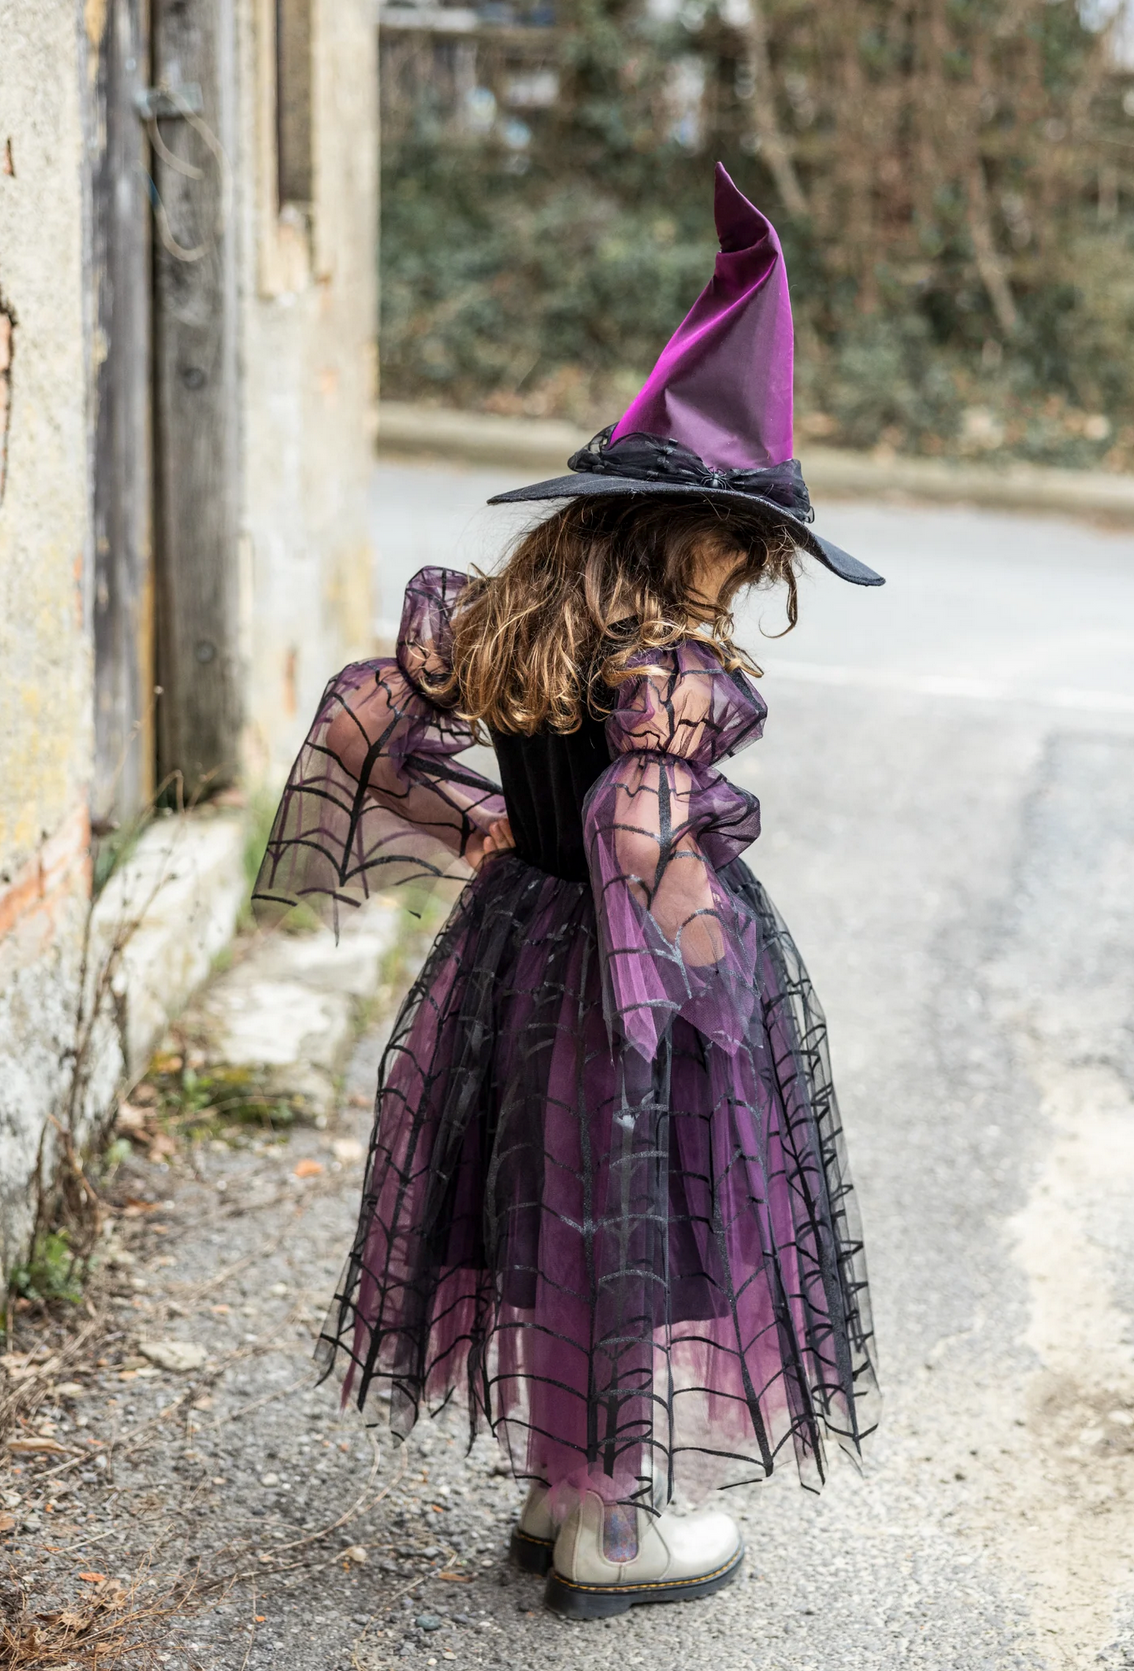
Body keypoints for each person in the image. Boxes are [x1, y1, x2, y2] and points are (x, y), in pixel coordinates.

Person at [254, 165, 882, 1619]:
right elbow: (646, 835)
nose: (747, 580)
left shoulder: (489, 618)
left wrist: (474, 821)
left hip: (517, 952)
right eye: (747, 550)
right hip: (625, 982)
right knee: (646, 1204)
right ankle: (617, 1521)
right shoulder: (667, 670)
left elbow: (357, 732)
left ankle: (560, 1486)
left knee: (541, 1192)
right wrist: (710, 976)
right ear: (687, 534)